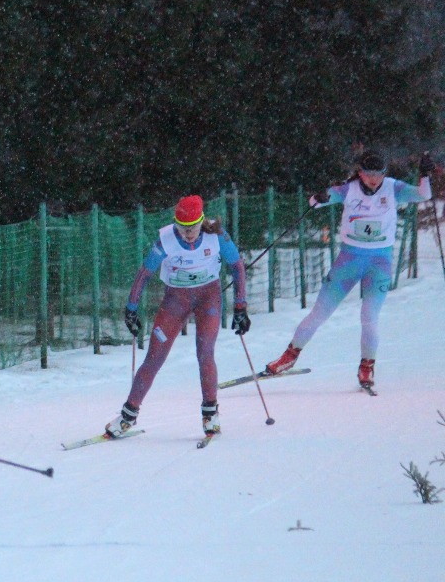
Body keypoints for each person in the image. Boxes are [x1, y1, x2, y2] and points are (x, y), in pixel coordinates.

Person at [263, 149, 434, 389]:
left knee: (369, 317)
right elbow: (314, 202)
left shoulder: (392, 188)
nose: (374, 179)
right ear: (360, 173)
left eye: (379, 174)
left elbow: (424, 195)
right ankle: (289, 357)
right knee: (320, 313)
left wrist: (425, 175)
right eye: (368, 174)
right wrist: (321, 195)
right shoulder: (349, 189)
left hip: (379, 262)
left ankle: (367, 368)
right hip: (349, 260)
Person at [106, 195, 249, 439]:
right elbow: (144, 273)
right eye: (182, 228)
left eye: (192, 227)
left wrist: (240, 307)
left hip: (208, 300)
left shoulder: (216, 235)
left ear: (201, 221)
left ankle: (210, 414)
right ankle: (127, 416)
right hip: (176, 301)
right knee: (154, 358)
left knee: (205, 353)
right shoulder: (166, 240)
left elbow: (237, 266)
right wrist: (131, 308)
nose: (188, 233)